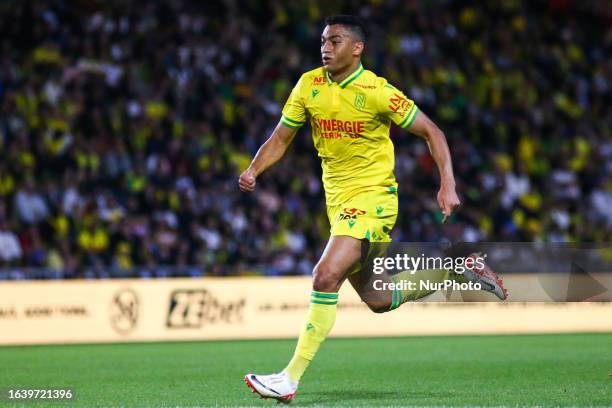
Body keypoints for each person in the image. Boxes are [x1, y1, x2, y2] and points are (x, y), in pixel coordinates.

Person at [239, 15, 507, 402]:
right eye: (323, 41)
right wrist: (254, 169)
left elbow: (433, 131)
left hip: (373, 200)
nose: (325, 48)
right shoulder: (308, 84)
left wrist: (447, 183)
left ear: (357, 48)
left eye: (335, 41)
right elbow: (281, 138)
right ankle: (457, 269)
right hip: (339, 204)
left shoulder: (378, 91)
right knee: (379, 300)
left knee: (324, 276)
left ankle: (288, 378)